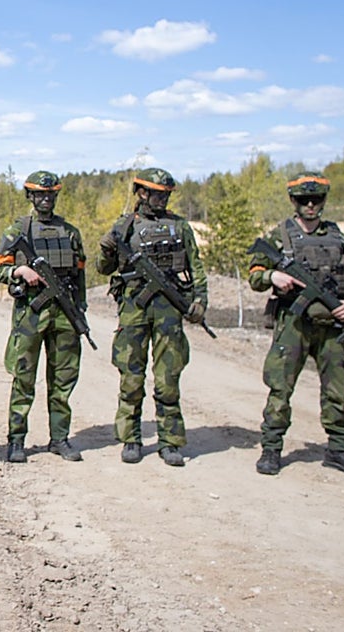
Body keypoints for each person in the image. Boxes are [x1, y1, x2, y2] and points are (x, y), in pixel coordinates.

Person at [248, 171, 344, 478]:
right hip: (293, 324)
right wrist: (272, 276)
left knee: (338, 389)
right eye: (304, 200)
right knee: (281, 387)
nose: (311, 205)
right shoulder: (282, 236)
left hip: (332, 327)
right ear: (293, 201)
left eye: (316, 200)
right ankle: (271, 449)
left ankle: (340, 450)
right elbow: (255, 274)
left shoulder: (339, 237)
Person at [97, 167, 207, 467]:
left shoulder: (179, 226)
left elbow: (196, 267)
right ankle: (130, 438)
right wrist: (107, 249)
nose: (162, 199)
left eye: (166, 195)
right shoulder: (124, 227)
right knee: (131, 378)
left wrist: (200, 301)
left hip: (169, 311)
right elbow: (103, 268)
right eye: (157, 193)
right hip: (134, 310)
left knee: (168, 378)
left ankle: (170, 441)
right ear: (142, 193)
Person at [0, 170, 87, 464]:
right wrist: (20, 271)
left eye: (50, 194)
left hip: (64, 314)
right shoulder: (17, 231)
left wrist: (79, 310)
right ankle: (17, 440)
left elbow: (80, 275)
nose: (45, 199)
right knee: (24, 378)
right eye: (39, 194)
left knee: (63, 379)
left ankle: (59, 438)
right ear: (30, 196)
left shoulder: (70, 233)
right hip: (30, 314)